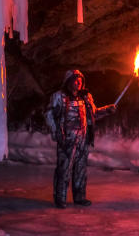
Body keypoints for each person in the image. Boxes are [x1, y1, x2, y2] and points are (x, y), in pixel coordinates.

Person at [44, 69, 116, 208]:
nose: (78, 82)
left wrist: (107, 110)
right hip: (67, 140)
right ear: (68, 81)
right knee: (64, 169)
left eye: (80, 80)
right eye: (75, 80)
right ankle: (60, 198)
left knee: (80, 170)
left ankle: (79, 197)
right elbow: (48, 114)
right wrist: (56, 132)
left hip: (83, 139)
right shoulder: (59, 97)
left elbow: (93, 114)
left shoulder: (86, 97)